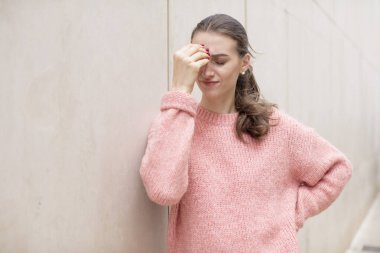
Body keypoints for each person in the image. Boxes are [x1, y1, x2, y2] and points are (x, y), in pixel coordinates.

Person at [139, 13, 353, 253]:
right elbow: (163, 191)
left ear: (244, 63)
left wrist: (292, 212)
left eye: (220, 61)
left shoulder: (273, 126)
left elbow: (338, 168)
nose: (207, 72)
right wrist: (180, 90)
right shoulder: (177, 123)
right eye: (201, 60)